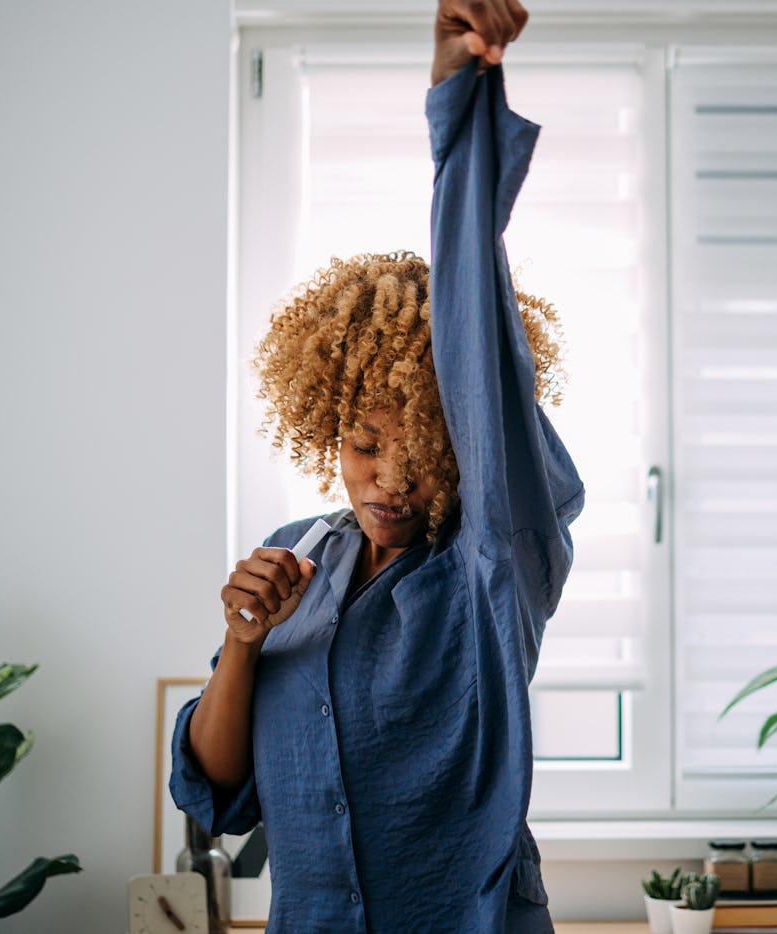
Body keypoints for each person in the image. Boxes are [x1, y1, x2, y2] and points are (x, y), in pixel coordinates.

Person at [169, 1, 582, 930]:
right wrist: (242, 638)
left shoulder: (495, 569)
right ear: (327, 430)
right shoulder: (296, 555)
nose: (392, 478)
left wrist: (457, 100)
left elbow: (479, 339)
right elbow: (218, 793)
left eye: (429, 454)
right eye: (364, 444)